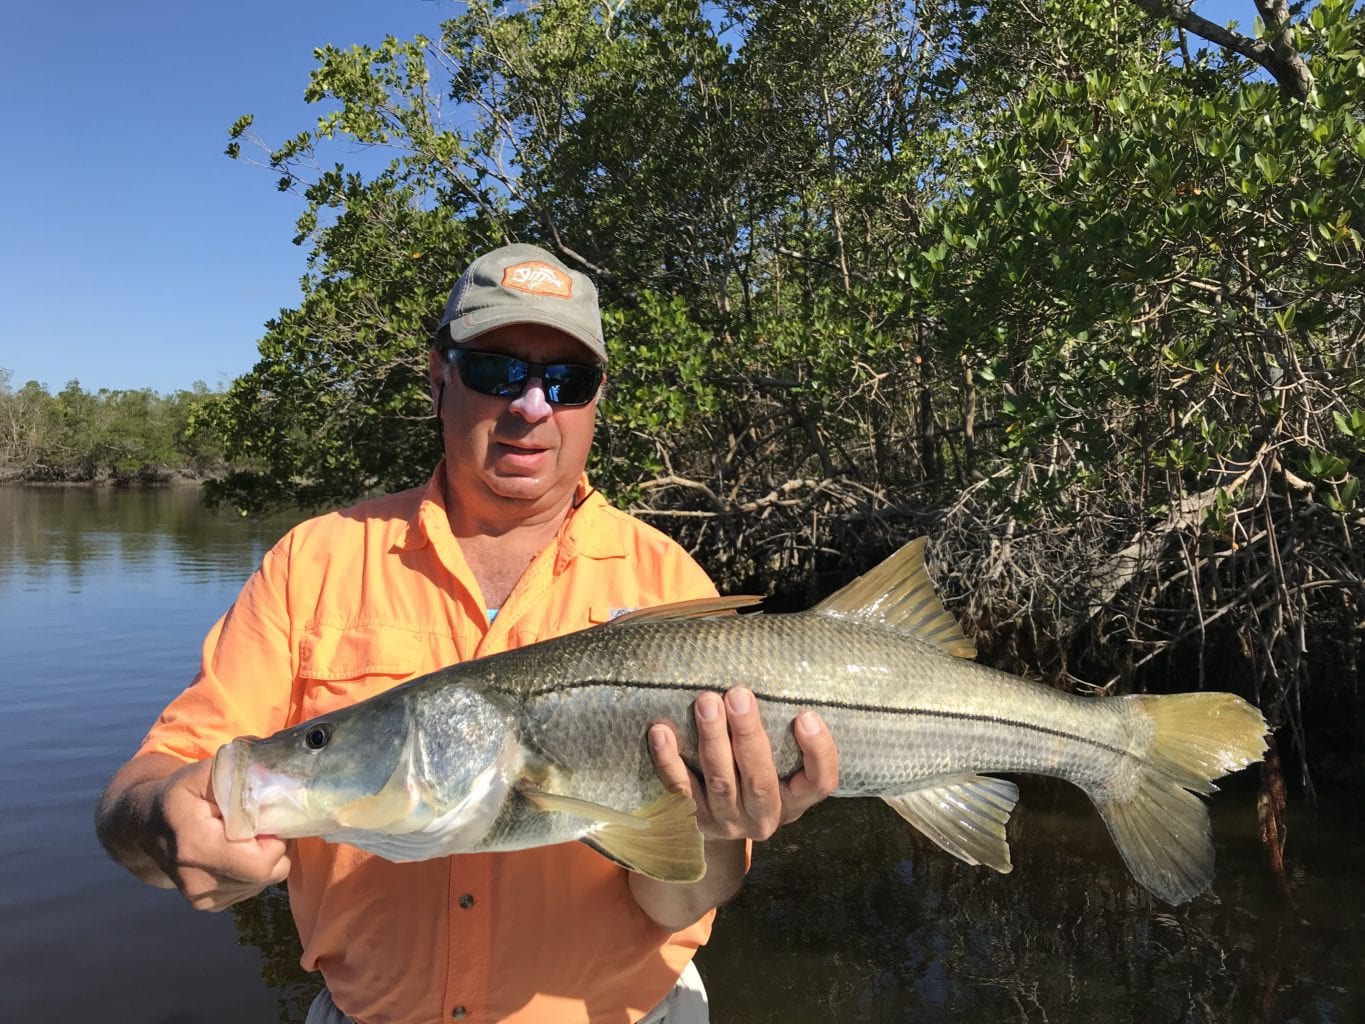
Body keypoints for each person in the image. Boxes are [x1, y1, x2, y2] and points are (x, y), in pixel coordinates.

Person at [96, 243, 840, 1024]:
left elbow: (676, 901)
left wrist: (716, 833)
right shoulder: (314, 561)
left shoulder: (667, 585)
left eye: (567, 380)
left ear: (595, 400)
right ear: (437, 377)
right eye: (495, 370)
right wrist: (160, 820)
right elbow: (143, 793)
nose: (530, 405)